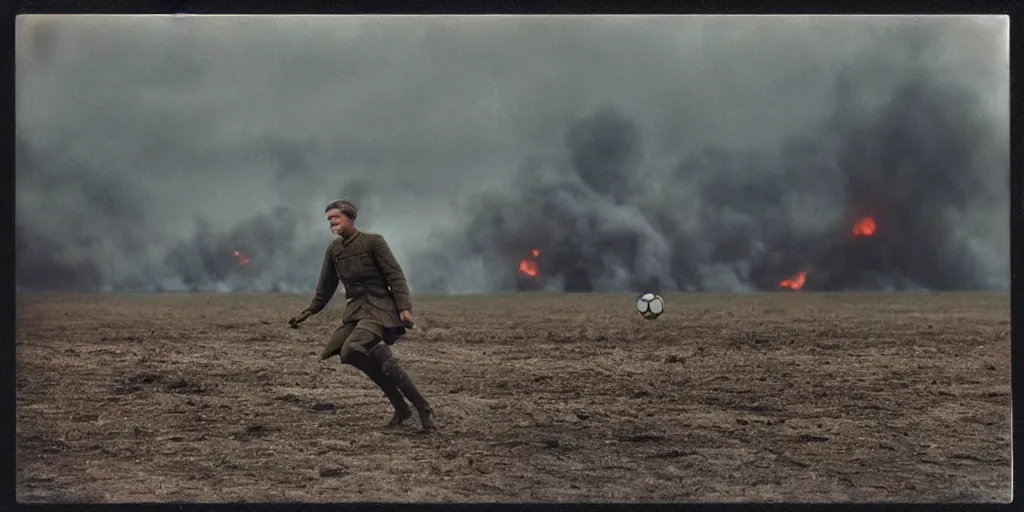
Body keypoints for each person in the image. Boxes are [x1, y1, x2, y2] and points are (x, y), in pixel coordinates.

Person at [288, 199, 435, 431]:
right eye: (328, 220)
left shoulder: (373, 242)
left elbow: (394, 275)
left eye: (334, 218)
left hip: (379, 308)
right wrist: (308, 312)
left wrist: (404, 308)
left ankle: (422, 407)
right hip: (356, 311)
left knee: (352, 347)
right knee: (347, 354)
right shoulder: (334, 250)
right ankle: (401, 405)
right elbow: (325, 286)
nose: (331, 223)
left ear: (349, 217)